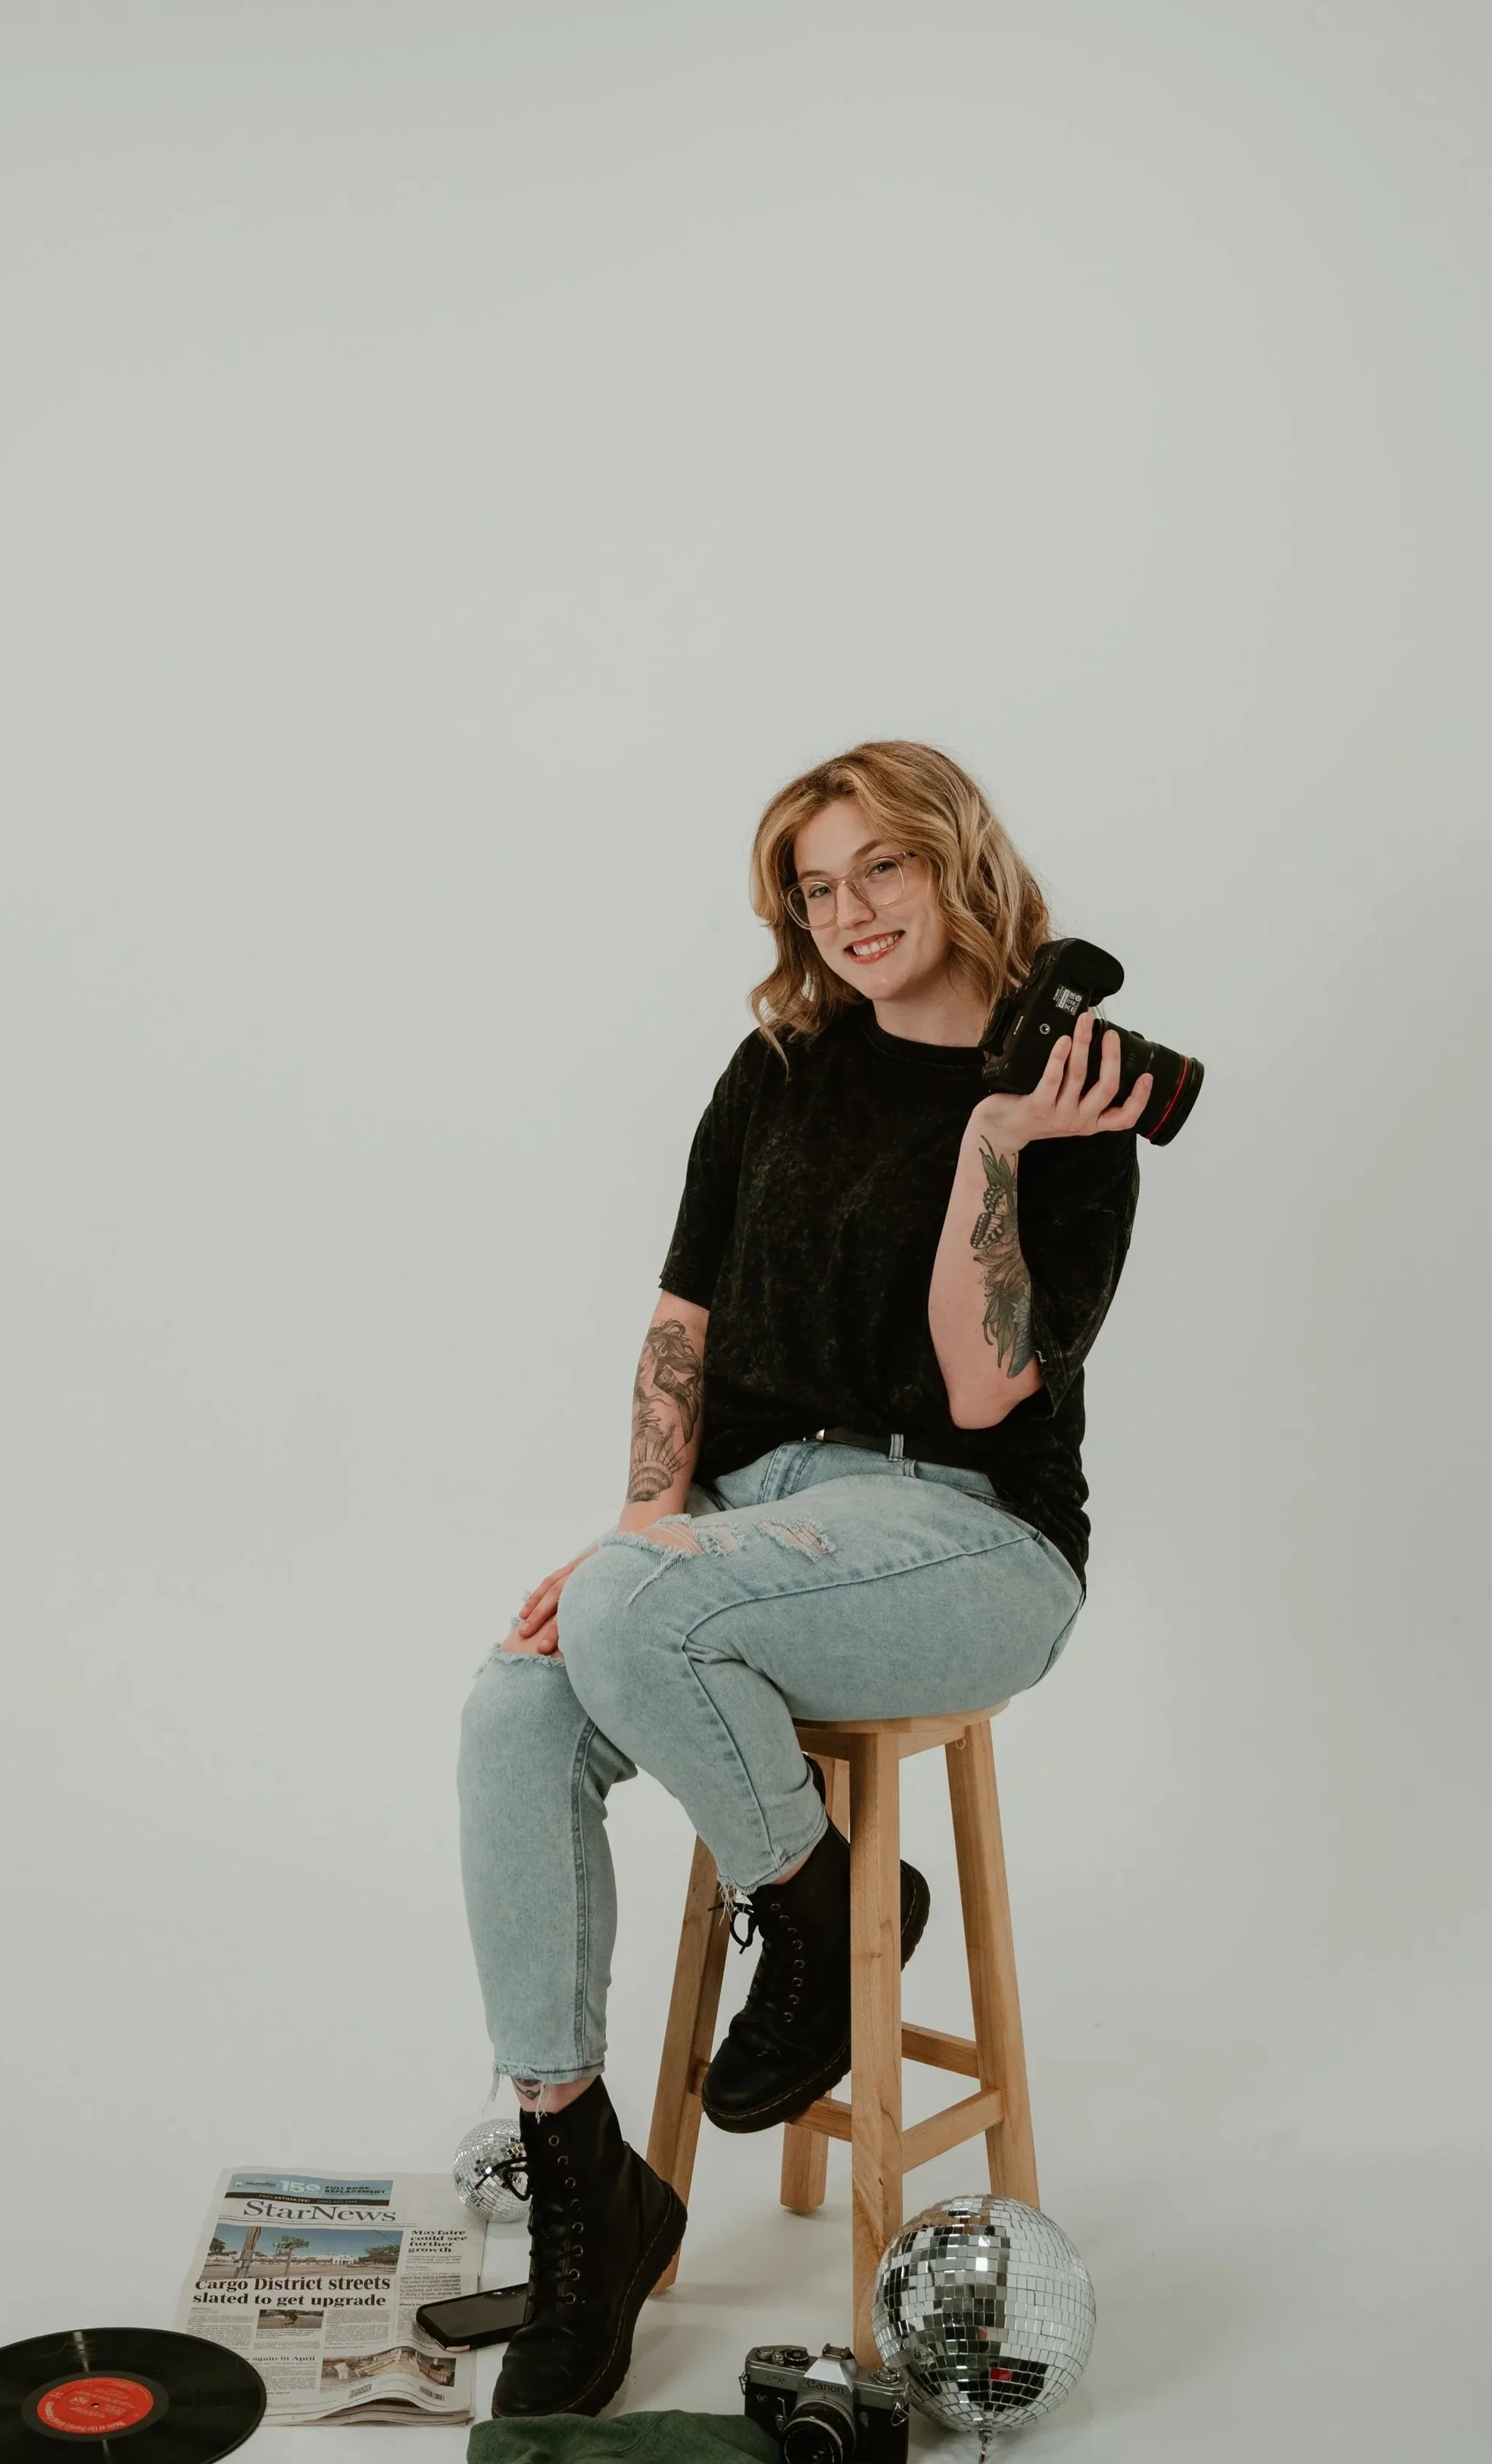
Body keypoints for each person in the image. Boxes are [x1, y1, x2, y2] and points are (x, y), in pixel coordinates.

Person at [457, 741, 1151, 2418]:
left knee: (628, 1605)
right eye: (813, 888)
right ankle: (581, 2181)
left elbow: (988, 1390)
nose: (844, 914)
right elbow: (684, 1320)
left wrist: (989, 1142)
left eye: (877, 872)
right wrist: (643, 1526)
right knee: (512, 1699)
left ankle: (823, 1903)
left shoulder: (1070, 1090)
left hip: (969, 1540)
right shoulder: (776, 1065)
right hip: (757, 1514)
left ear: (953, 860)